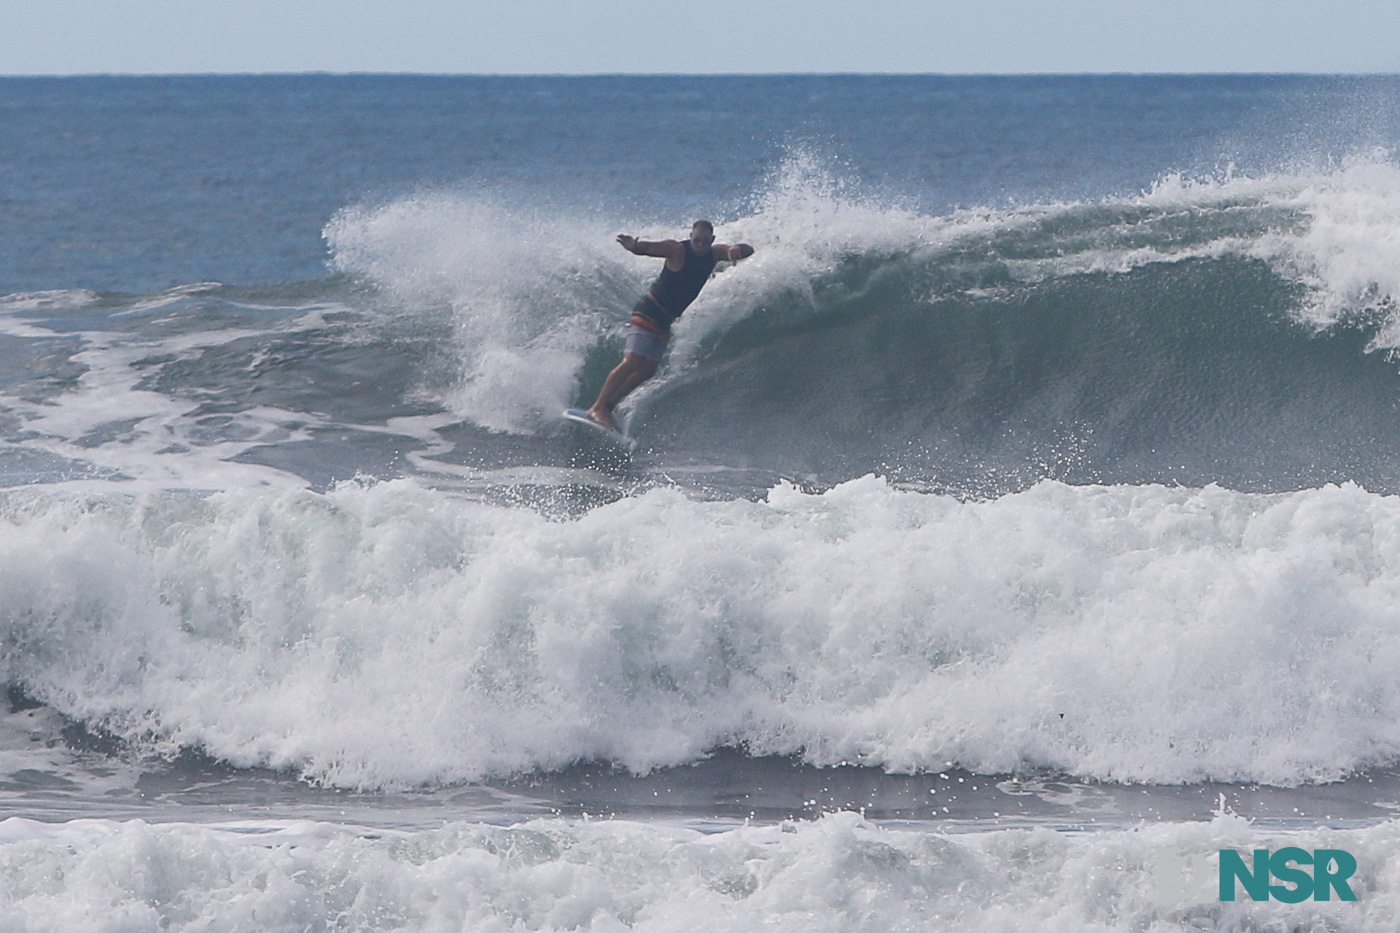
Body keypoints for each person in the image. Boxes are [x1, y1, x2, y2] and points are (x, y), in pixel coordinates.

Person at [585, 220, 755, 432]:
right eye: (696, 240)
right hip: (649, 310)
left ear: (712, 240)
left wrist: (737, 251)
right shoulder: (676, 250)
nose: (700, 244)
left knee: (647, 370)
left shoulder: (715, 253)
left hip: (665, 320)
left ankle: (609, 407)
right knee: (633, 361)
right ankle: (598, 407)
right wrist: (634, 247)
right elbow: (648, 248)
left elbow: (748, 250)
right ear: (690, 236)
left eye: (705, 241)